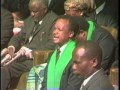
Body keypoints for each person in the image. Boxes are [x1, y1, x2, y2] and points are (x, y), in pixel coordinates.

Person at [1, 0, 58, 89]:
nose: (32, 14)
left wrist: (31, 52)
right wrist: (11, 47)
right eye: (30, 11)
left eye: (35, 11)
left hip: (34, 59)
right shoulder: (31, 19)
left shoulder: (54, 21)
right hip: (20, 56)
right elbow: (18, 37)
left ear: (45, 9)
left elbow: (52, 44)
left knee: (6, 69)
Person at [41, 15, 83, 90]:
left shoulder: (76, 56)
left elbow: (74, 86)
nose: (54, 32)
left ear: (71, 34)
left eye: (59, 30)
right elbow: (45, 82)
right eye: (54, 29)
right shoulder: (53, 55)